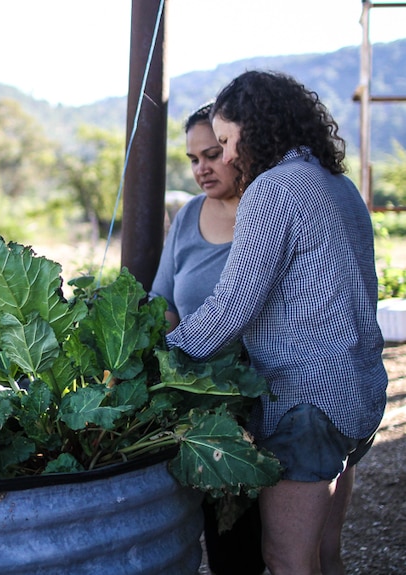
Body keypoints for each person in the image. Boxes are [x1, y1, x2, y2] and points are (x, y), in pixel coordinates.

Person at [166, 70, 388, 575]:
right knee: (324, 554)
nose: (222, 155)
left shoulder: (272, 188)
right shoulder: (339, 185)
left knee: (286, 558)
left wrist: (162, 358)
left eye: (224, 141)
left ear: (257, 128)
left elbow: (233, 303)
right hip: (356, 392)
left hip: (305, 402)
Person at [150, 103, 266, 575]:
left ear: (239, 148)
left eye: (213, 154)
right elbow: (162, 297)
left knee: (247, 545)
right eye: (193, 159)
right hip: (193, 396)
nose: (201, 168)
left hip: (255, 401)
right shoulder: (187, 217)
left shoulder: (267, 211)